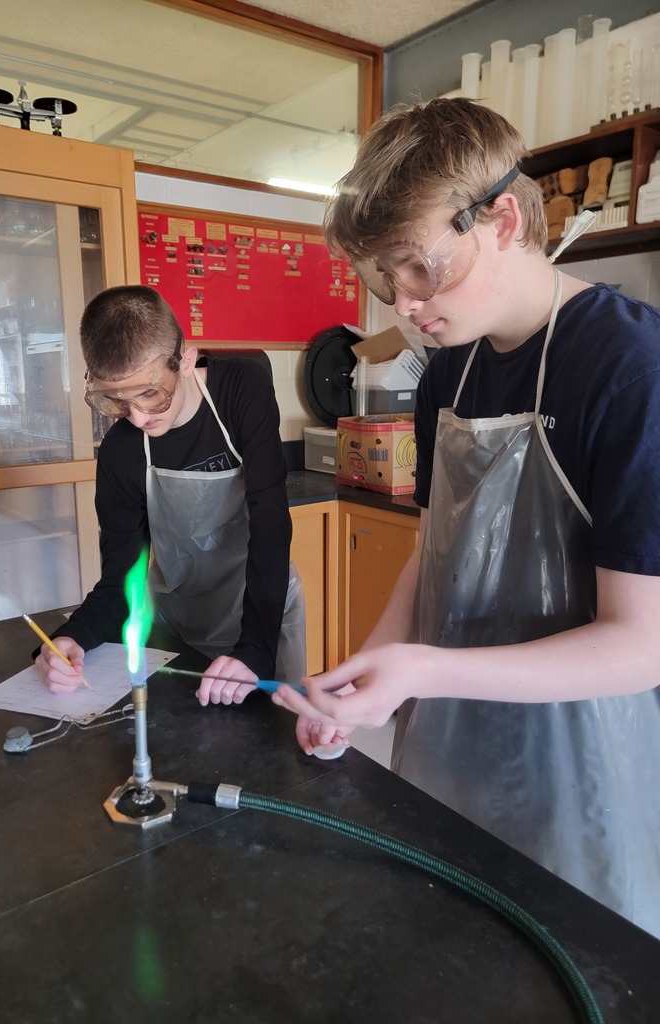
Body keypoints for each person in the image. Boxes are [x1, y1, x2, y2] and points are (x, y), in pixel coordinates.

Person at [272, 97, 660, 937]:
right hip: (446, 750)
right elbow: (434, 553)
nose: (404, 305)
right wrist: (366, 677)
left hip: (578, 773)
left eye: (421, 267)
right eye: (385, 279)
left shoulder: (630, 368)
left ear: (503, 218)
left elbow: (642, 644)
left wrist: (424, 672)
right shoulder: (448, 371)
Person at [34, 285, 305, 706]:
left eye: (150, 394)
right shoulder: (121, 452)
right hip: (179, 620)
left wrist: (254, 649)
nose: (139, 418)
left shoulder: (240, 391)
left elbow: (270, 524)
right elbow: (122, 578)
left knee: (272, 737)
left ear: (187, 358)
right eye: (119, 402)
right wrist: (73, 637)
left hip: (260, 608)